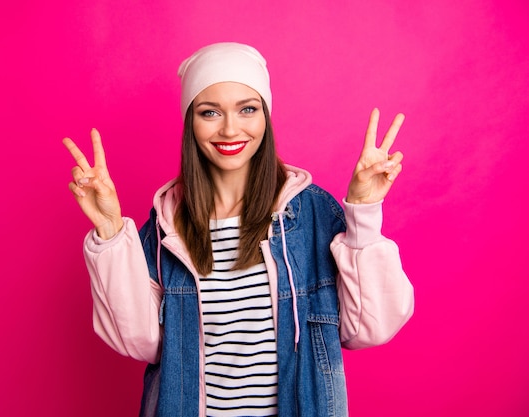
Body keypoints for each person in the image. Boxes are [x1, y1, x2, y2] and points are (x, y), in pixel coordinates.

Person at [63, 42, 414, 417]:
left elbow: (368, 329)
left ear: (265, 115)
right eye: (210, 112)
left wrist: (363, 214)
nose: (230, 129)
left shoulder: (310, 213)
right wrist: (109, 228)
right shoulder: (168, 225)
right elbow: (140, 343)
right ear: (190, 123)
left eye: (247, 109)